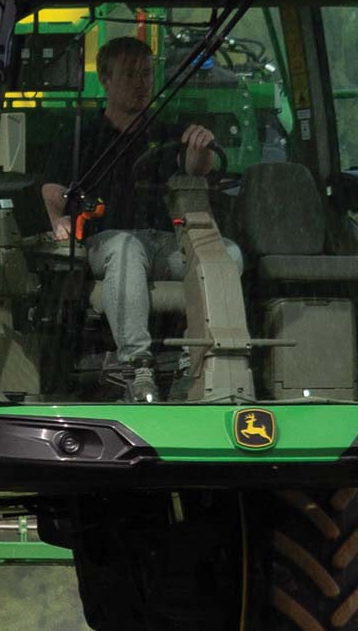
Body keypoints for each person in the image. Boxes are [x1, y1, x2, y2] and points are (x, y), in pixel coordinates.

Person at [37, 35, 237, 402]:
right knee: (126, 246)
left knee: (227, 253)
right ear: (106, 79)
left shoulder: (167, 132)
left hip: (164, 243)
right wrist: (58, 221)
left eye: (146, 74)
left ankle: (195, 361)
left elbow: (195, 168)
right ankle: (136, 366)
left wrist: (200, 147)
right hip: (106, 241)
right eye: (129, 75)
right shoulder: (81, 135)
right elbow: (52, 188)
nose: (141, 83)